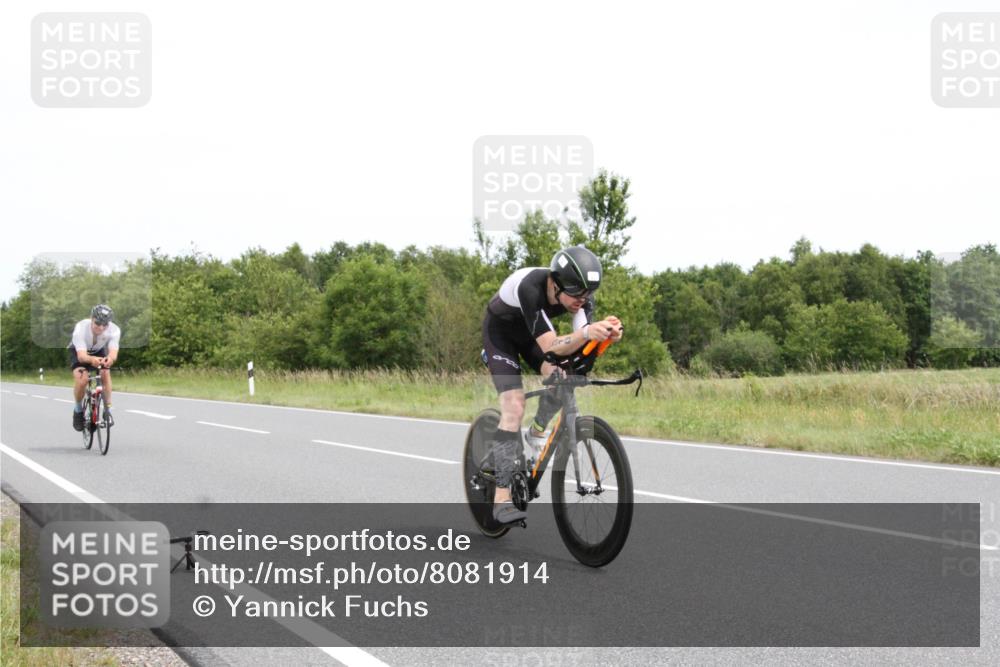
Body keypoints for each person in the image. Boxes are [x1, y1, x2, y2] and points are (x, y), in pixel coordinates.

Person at [481, 246, 622, 523]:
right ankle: (501, 501)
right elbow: (551, 344)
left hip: (532, 338)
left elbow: (580, 351)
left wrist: (605, 338)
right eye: (576, 293)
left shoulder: (579, 298)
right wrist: (585, 333)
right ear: (554, 284)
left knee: (562, 378)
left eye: (587, 294)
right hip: (502, 335)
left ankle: (536, 432)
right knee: (514, 404)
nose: (582, 300)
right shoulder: (530, 288)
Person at [69, 304, 120, 431]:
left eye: (105, 324)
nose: (101, 327)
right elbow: (81, 357)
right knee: (82, 379)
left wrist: (110, 360)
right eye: (97, 323)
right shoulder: (80, 328)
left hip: (98, 350)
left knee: (105, 373)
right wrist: (92, 360)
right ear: (91, 319)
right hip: (79, 351)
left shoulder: (114, 330)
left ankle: (107, 410)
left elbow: (113, 352)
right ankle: (78, 410)